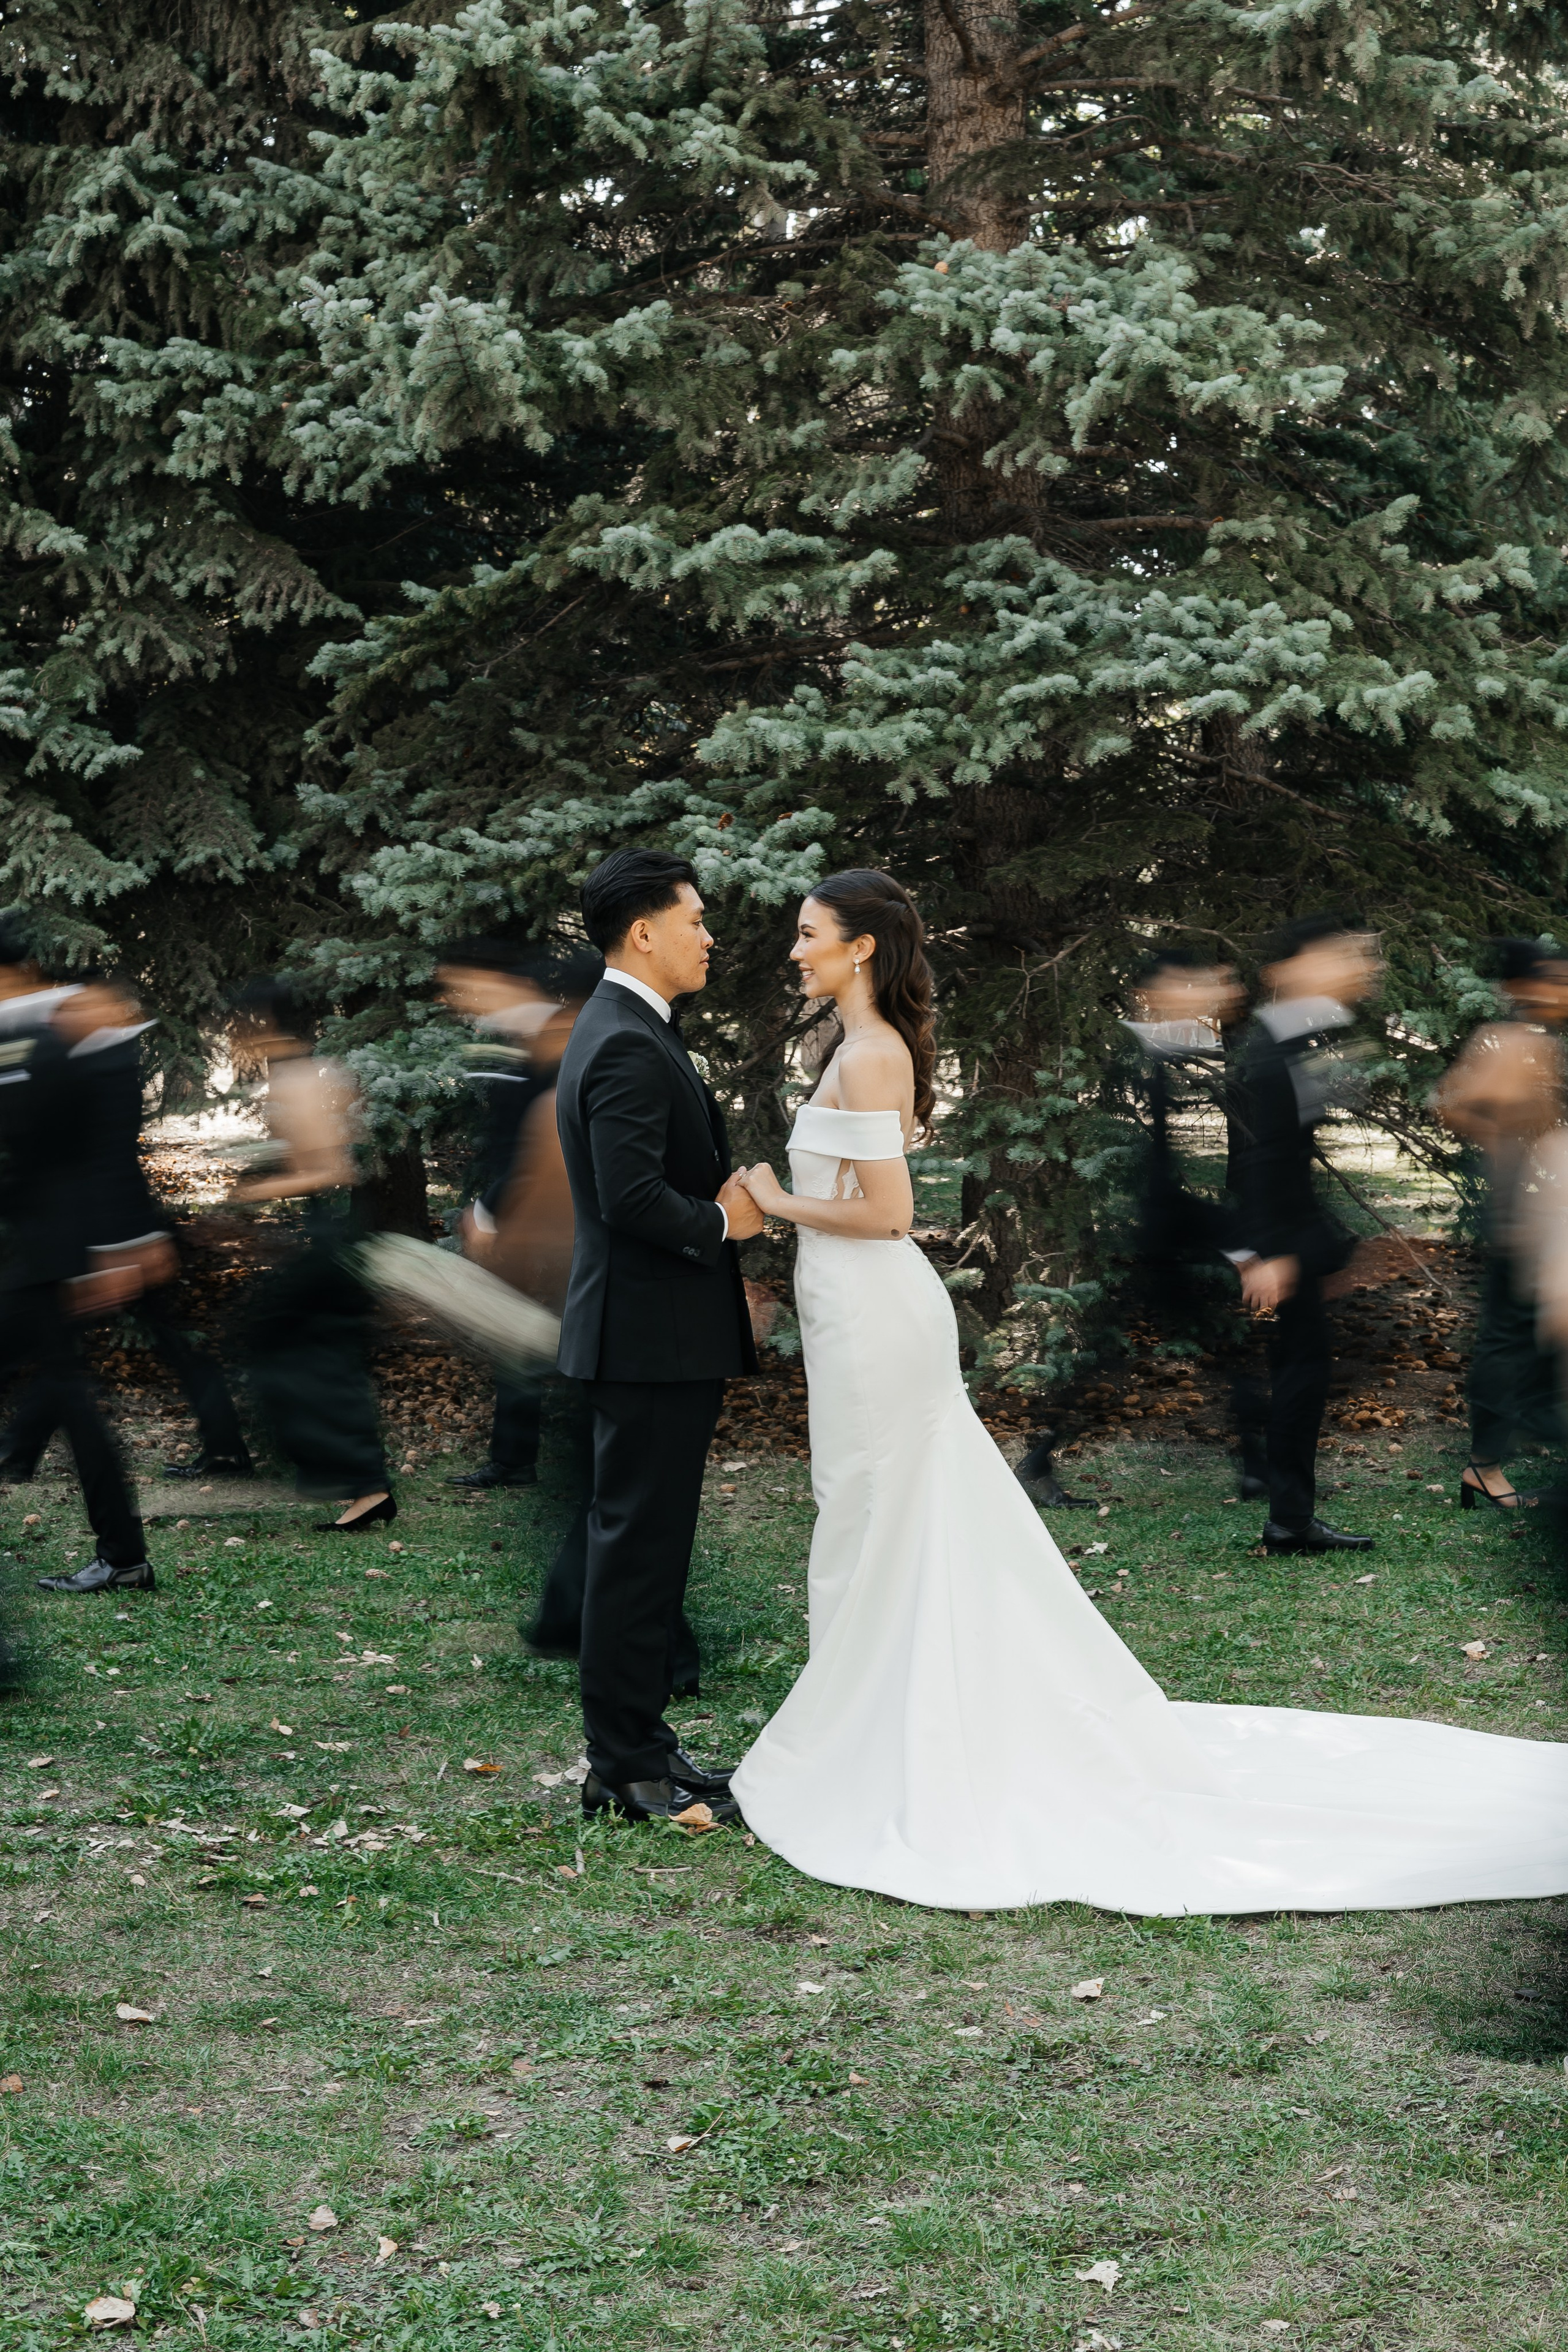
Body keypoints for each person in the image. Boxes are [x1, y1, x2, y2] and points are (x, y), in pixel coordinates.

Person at [726, 871, 1568, 1913]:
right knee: (865, 1509)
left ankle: (883, 1726)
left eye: (808, 935)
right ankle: (869, 1711)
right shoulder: (847, 1046)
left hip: (876, 1310)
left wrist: (773, 1198)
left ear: (859, 948)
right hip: (853, 1314)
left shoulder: (874, 1052)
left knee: (881, 1507)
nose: (792, 951)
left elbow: (891, 1215)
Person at [554, 848, 762, 1823]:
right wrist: (726, 1225)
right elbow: (628, 1194)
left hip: (652, 1335)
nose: (709, 936)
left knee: (644, 1547)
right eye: (696, 919)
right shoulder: (627, 1039)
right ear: (645, 932)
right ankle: (627, 1763)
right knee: (635, 1549)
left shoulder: (629, 1025)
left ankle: (639, 1749)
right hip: (646, 1337)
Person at [0, 971, 252, 1485]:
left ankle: (19, 1455)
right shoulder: (67, 1040)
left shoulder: (95, 1049)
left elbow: (109, 1156)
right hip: (108, 1231)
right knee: (68, 1348)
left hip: (112, 1233)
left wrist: (124, 1245)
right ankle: (19, 1453)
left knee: (76, 1347)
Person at [0, 943, 154, 1594]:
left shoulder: (53, 1030)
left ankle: (122, 1553)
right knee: (69, 1394)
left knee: (71, 1395)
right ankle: (123, 1554)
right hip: (44, 1247)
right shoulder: (42, 1029)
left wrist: (119, 1244)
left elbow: (104, 1147)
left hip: (49, 1249)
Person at [1226, 914, 1379, 1555]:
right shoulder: (1268, 1051)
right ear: (1285, 973)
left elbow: (1288, 1162)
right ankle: (1287, 1522)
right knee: (1297, 1378)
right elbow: (1253, 1163)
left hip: (1293, 1247)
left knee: (1302, 1377)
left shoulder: (1297, 1042)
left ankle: (1290, 1518)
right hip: (1279, 1251)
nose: (1356, 966)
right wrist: (1260, 1255)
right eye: (1339, 955)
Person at [227, 979, 394, 1531]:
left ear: (260, 1023)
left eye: (239, 1023)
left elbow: (332, 1170)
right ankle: (360, 1483)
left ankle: (357, 1479)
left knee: (291, 1353)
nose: (234, 1035)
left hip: (327, 1234)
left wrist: (256, 1190)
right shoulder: (301, 1073)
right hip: (325, 1231)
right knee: (315, 1354)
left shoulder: (299, 1080)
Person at [1433, 939, 1568, 1509]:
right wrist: (1504, 1149)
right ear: (1526, 986)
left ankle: (1489, 1463)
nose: (1564, 990)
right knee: (1515, 1337)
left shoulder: (1536, 1041)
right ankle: (1486, 1466)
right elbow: (1452, 1104)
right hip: (1525, 1210)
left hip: (1540, 1204)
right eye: (1554, 980)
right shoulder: (1513, 1043)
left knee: (1527, 1338)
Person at [436, 938, 564, 1491]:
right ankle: (514, 1459)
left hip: (557, 1217)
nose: (455, 999)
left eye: (460, 984)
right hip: (520, 1216)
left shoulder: (557, 1038)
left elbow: (544, 1143)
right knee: (516, 1332)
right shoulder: (511, 1040)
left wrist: (489, 1213)